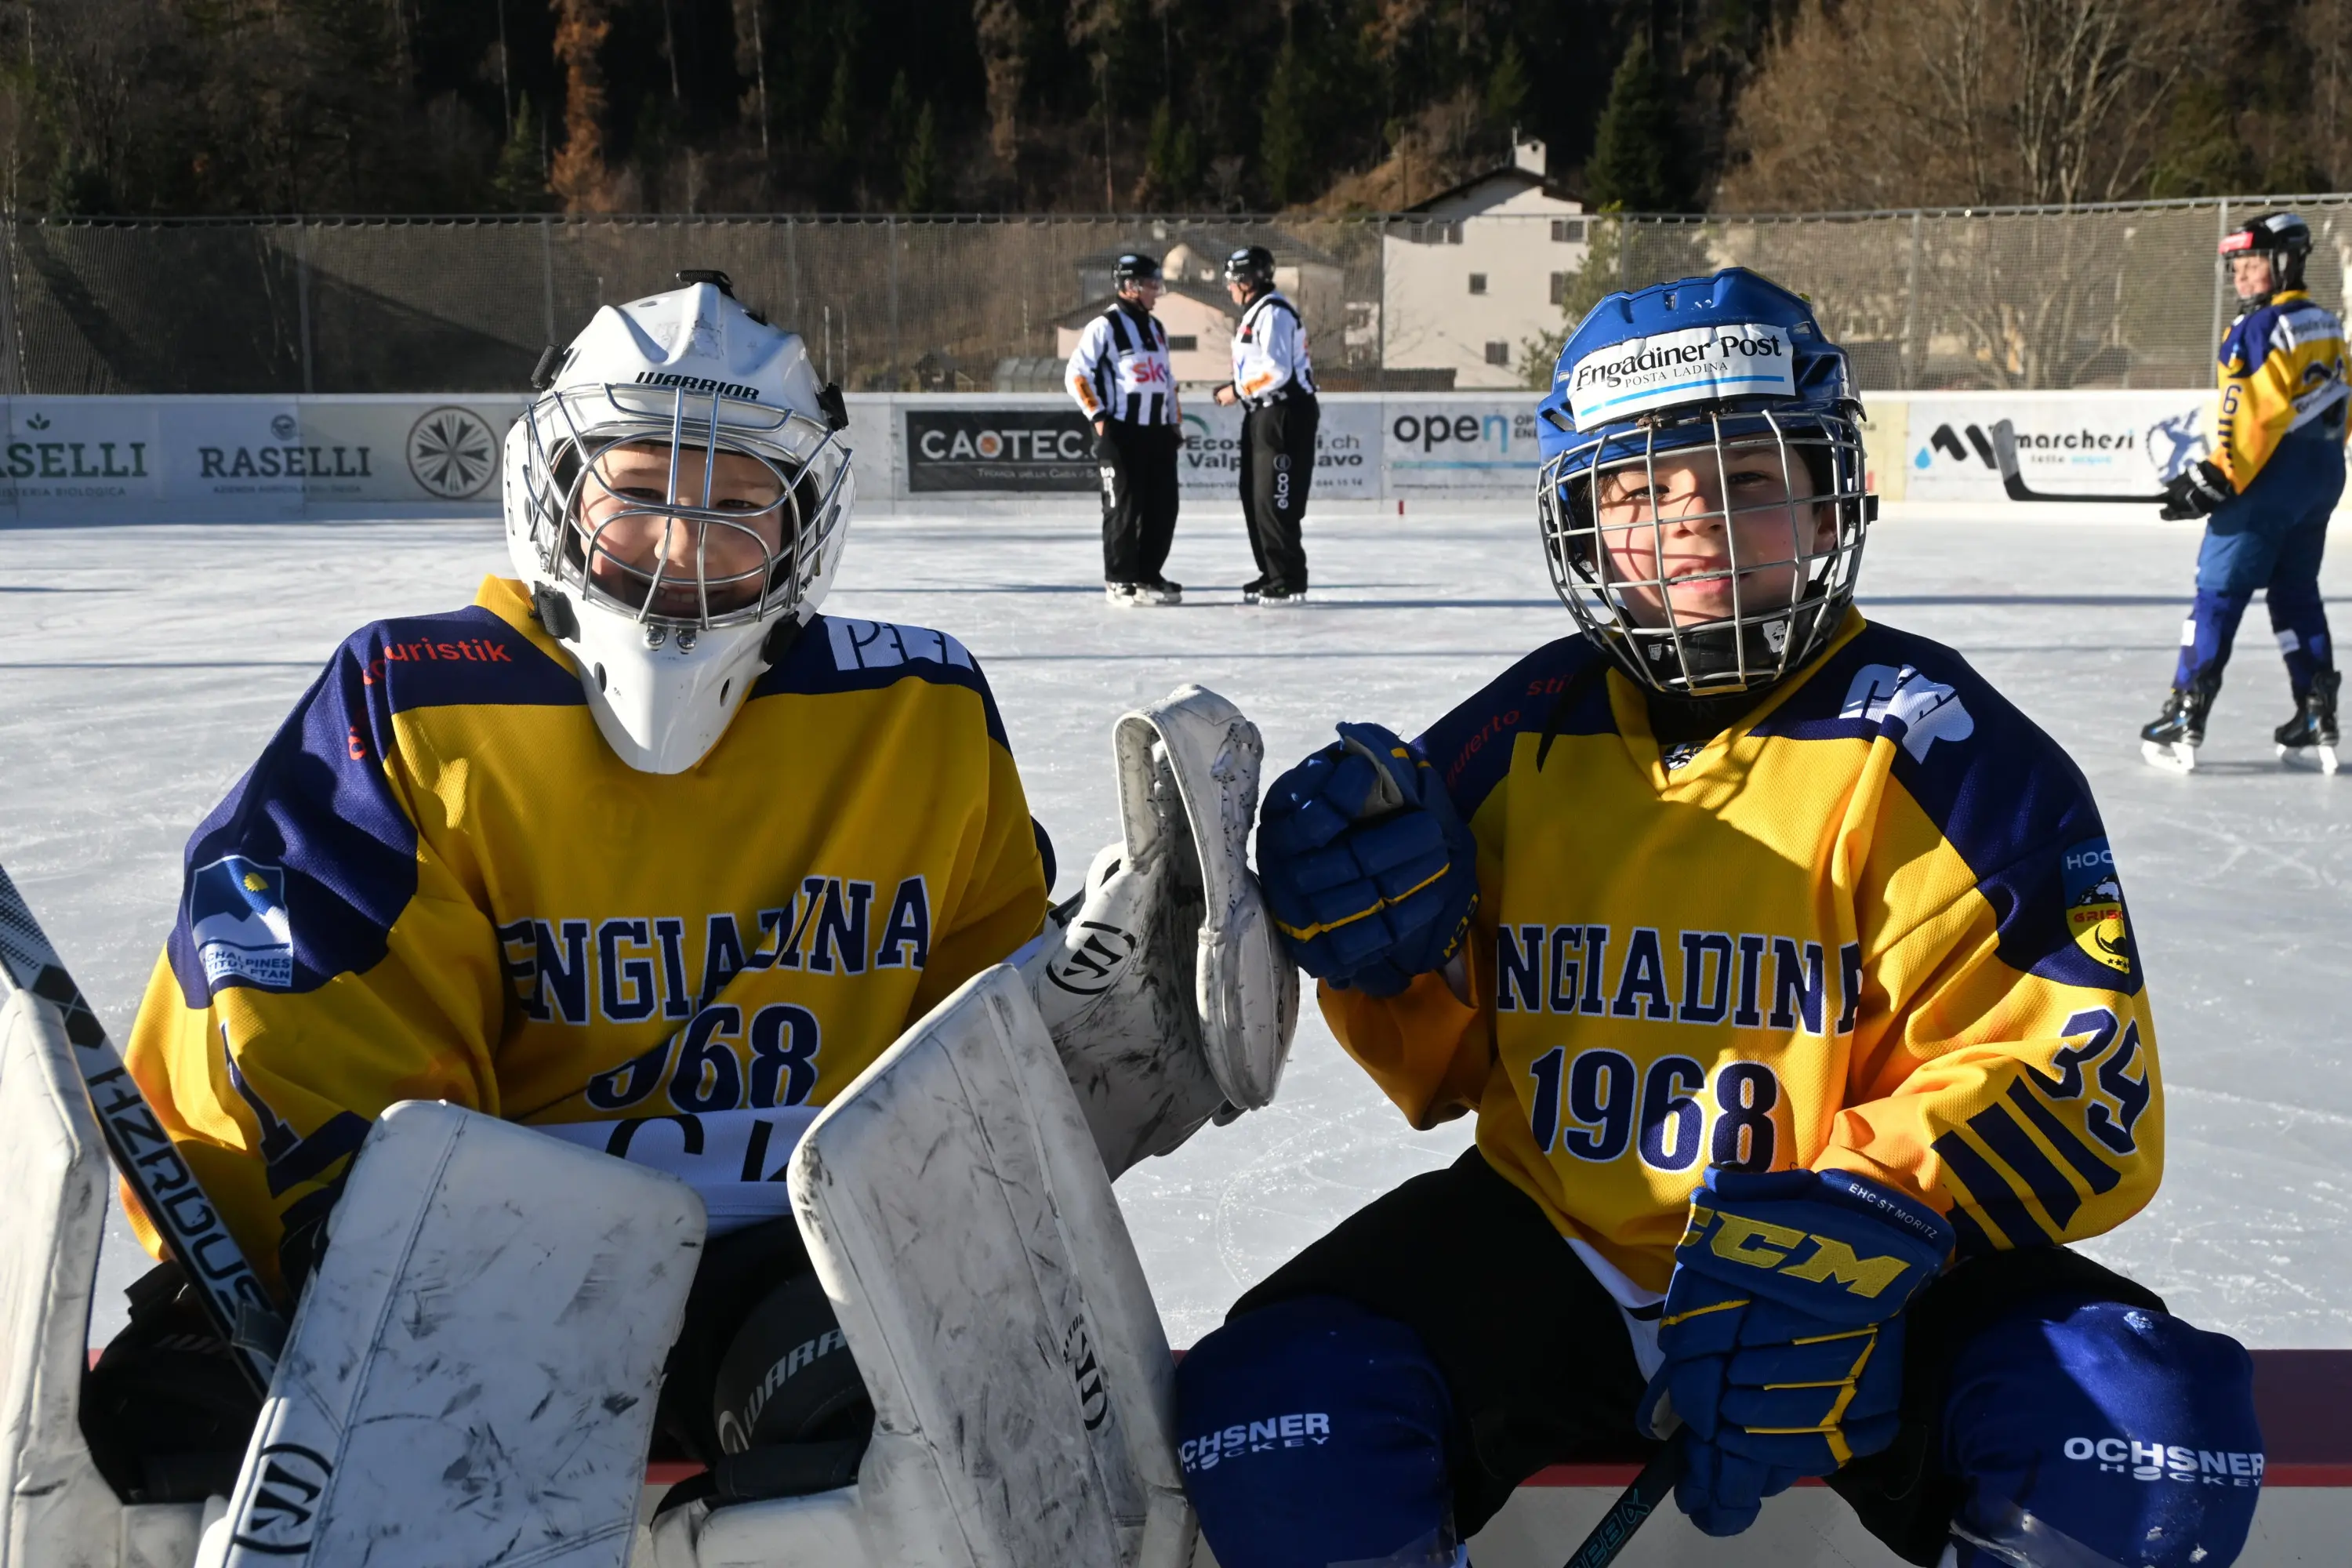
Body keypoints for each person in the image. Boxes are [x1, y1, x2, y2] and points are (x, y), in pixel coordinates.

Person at [1174, 270, 2263, 1568]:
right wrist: (1377, 943)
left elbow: (2085, 1086)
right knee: (1278, 1410)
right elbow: (1451, 1064)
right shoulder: (1514, 736)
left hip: (1868, 1277)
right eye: (1641, 493)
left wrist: (1867, 1223)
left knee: (2146, 1439)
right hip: (1561, 1242)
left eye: (1746, 480)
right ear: (1581, 517)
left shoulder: (1951, 756)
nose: (1694, 525)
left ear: (1828, 495)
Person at [100, 271, 1053, 1498]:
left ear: (805, 524)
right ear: (557, 492)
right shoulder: (416, 701)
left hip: (797, 1264)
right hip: (464, 1269)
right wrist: (398, 1286)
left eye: (740, 503)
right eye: (641, 494)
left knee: (881, 1441)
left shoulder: (915, 717)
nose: (681, 544)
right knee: (168, 1453)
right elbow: (294, 999)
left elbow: (994, 1046)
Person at [2140, 210, 2347, 773]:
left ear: (2284, 263)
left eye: (2252, 264)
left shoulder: (2253, 332)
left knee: (2218, 592)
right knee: (2296, 591)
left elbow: (2247, 423)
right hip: (2323, 477)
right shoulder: (2325, 323)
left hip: (2264, 484)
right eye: (2237, 265)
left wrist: (2214, 479)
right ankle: (2317, 712)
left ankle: (2186, 711)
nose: (2240, 276)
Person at [1066, 251, 1184, 606]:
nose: (1157, 291)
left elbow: (1167, 381)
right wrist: (1098, 417)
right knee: (1122, 508)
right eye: (1152, 284)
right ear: (1130, 287)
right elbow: (1076, 375)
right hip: (1120, 431)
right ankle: (1119, 579)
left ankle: (1148, 576)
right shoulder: (1105, 326)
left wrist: (1174, 423)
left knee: (1163, 508)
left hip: (1157, 433)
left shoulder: (1155, 327)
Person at [1214, 244, 1319, 605]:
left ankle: (1288, 578)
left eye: (1231, 281)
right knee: (1255, 496)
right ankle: (1271, 571)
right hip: (1261, 411)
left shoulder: (1273, 313)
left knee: (1276, 498)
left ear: (1247, 281)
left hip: (1284, 412)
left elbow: (1277, 371)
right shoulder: (1254, 313)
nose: (1228, 288)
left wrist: (1236, 390)